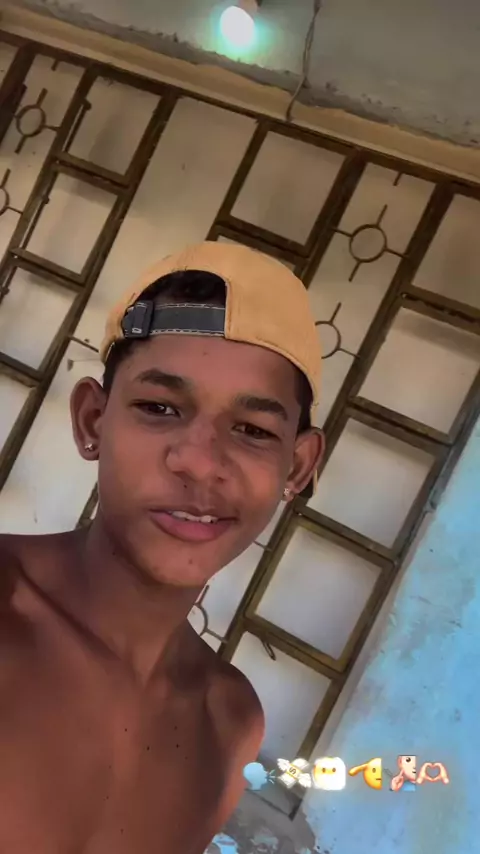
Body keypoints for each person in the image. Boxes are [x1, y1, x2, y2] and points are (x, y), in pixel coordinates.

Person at [0, 241, 324, 853]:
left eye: (253, 430)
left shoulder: (227, 724)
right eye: (159, 407)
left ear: (298, 466)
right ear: (93, 421)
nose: (200, 462)